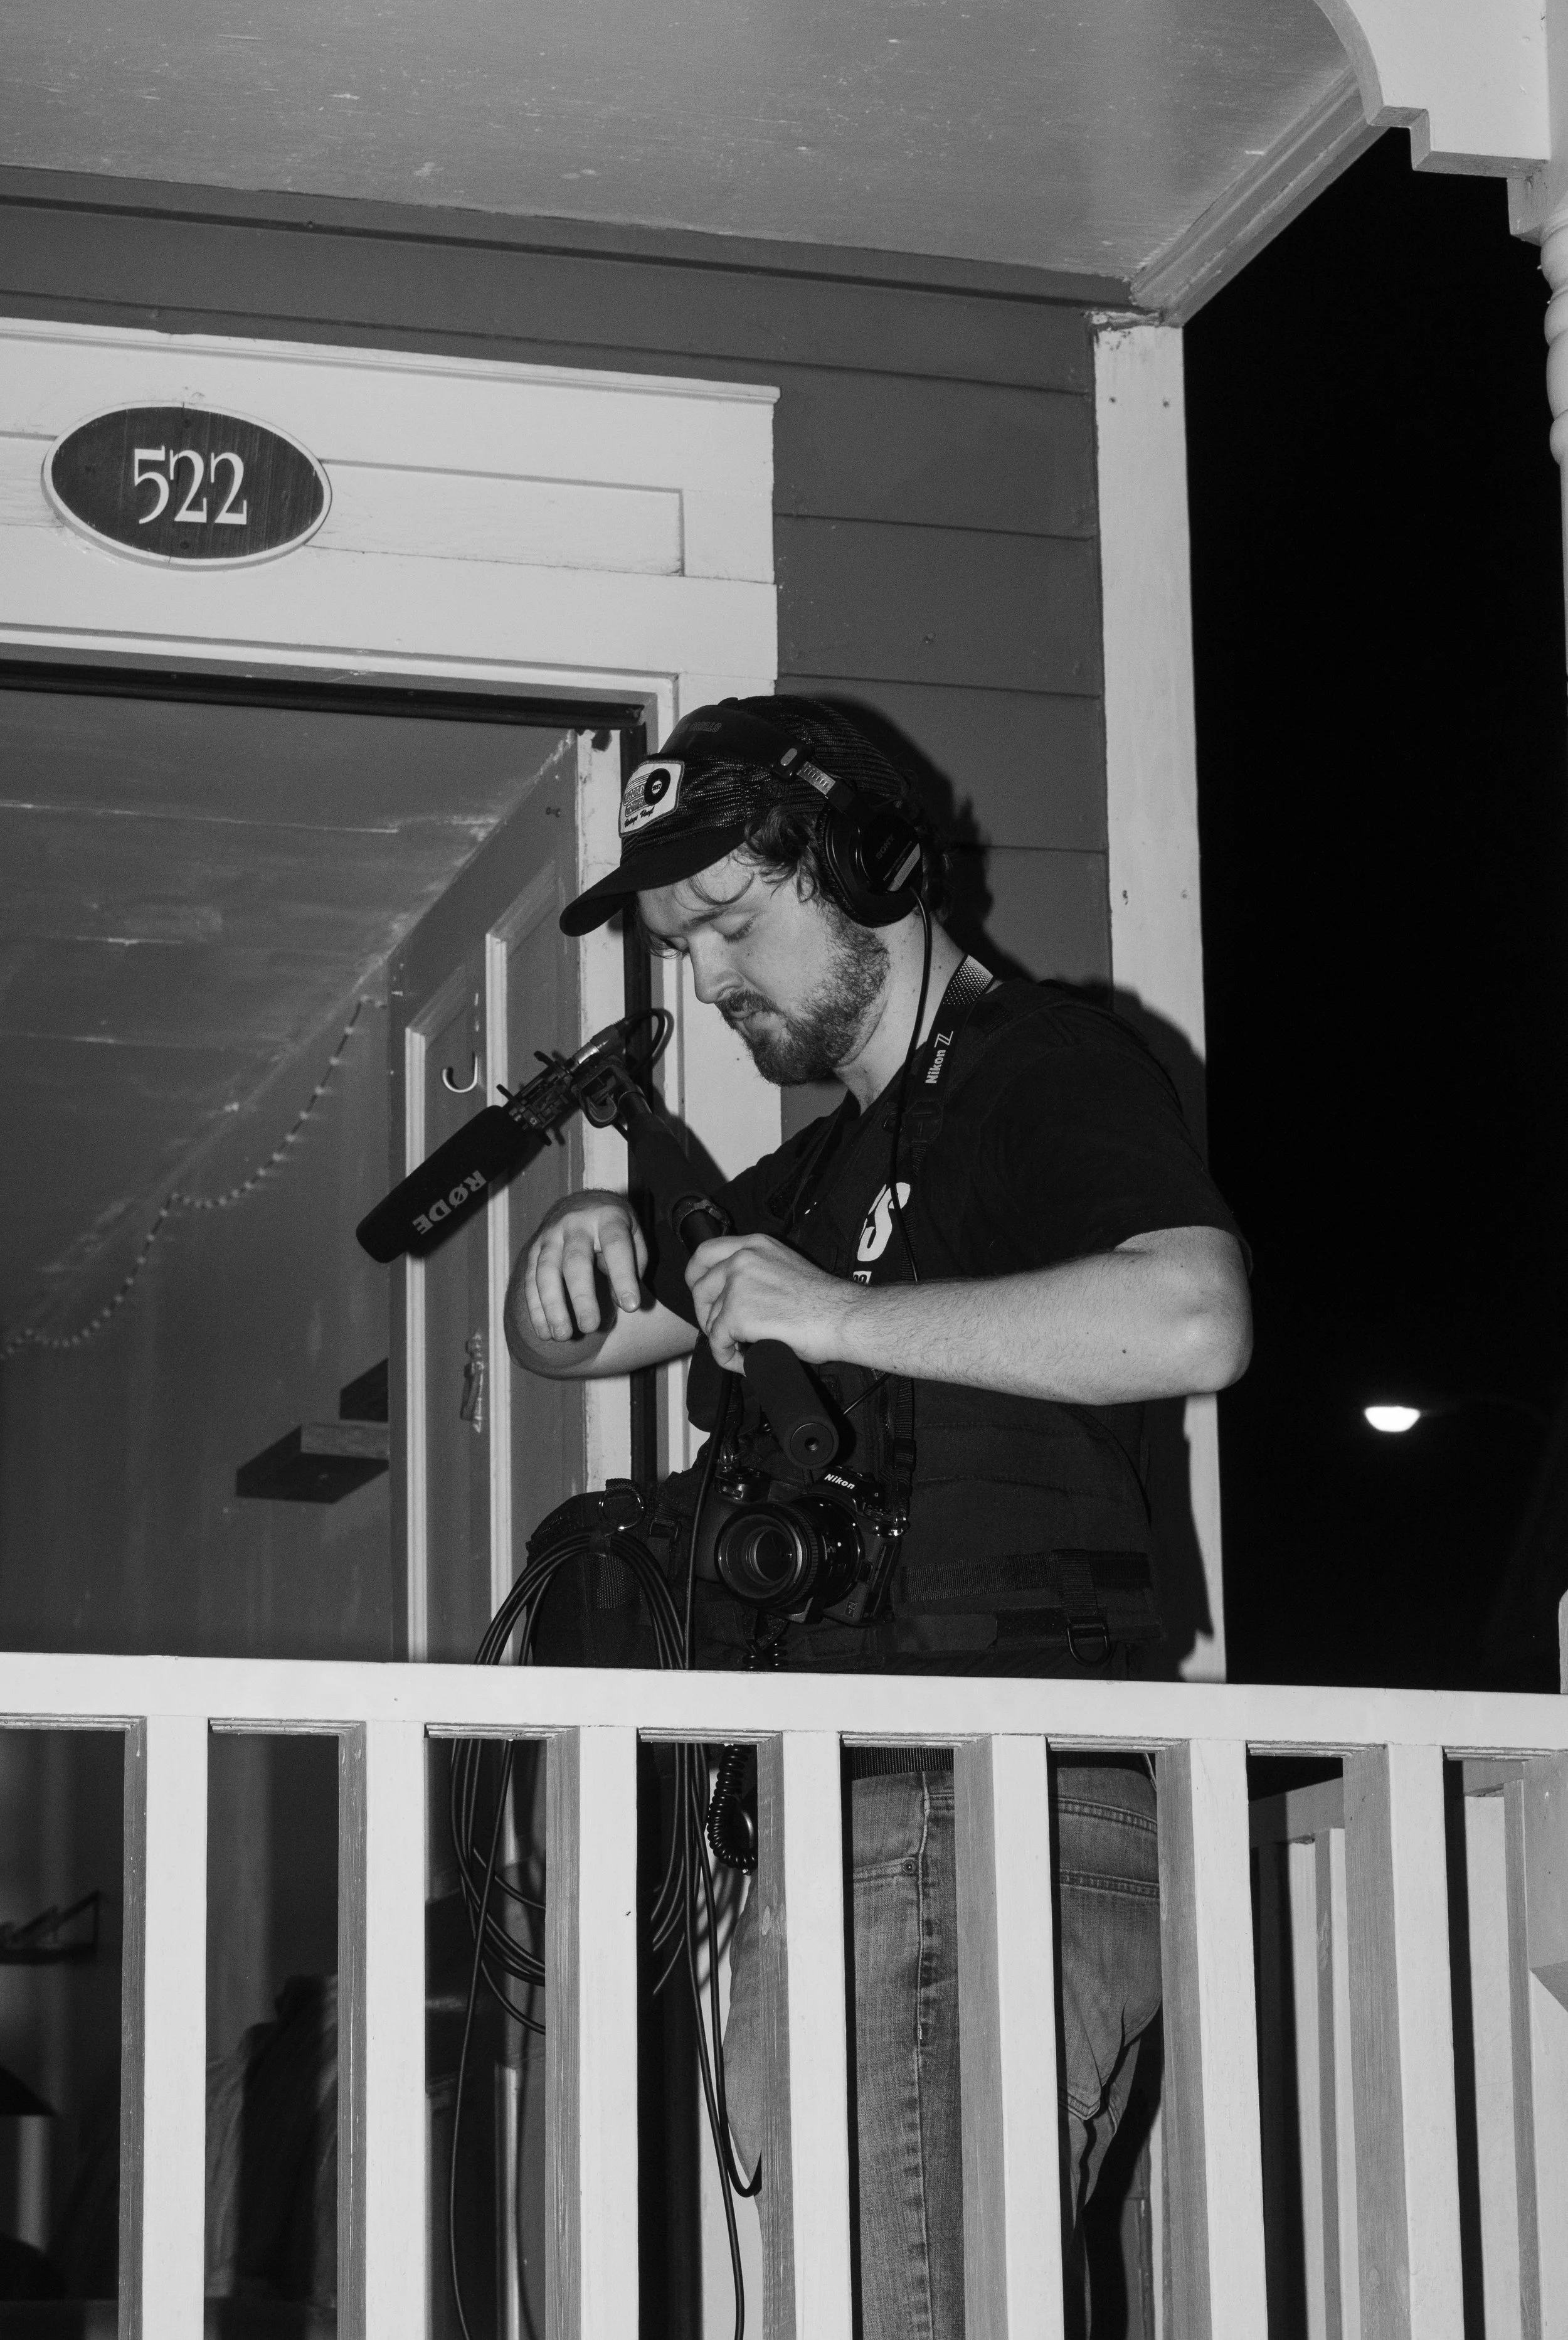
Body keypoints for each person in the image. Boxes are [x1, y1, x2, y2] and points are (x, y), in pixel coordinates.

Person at [505, 697, 1251, 2335]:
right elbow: (572, 1339)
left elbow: (1189, 1318)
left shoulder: (1046, 1064)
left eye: (726, 921)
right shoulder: (820, 1173)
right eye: (676, 942)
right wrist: (577, 1223)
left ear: (870, 860)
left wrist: (833, 1321)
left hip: (982, 1807)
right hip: (856, 1827)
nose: (702, 976)